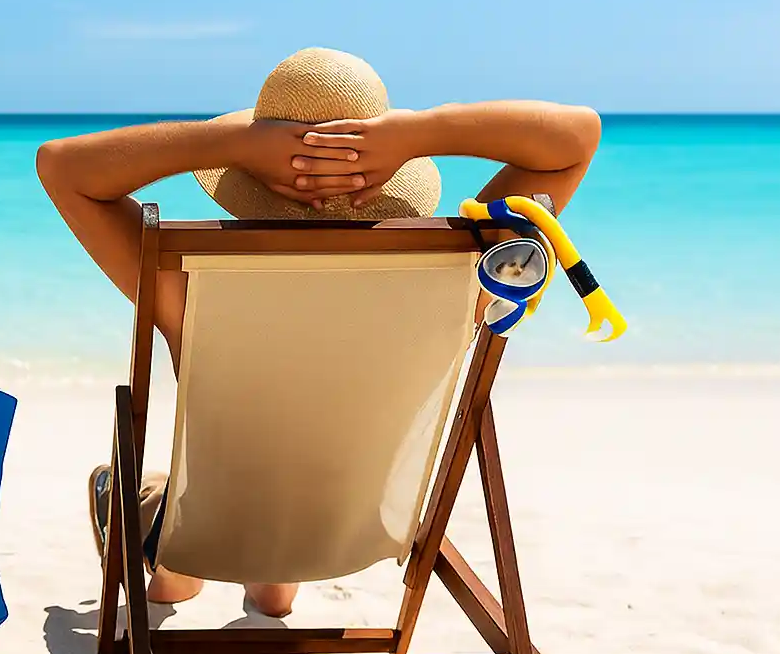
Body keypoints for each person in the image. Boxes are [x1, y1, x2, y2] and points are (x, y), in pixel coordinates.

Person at [36, 47, 600, 618]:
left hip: (214, 531)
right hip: (353, 538)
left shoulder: (189, 289)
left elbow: (62, 166)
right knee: (314, 462)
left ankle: (174, 572)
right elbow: (576, 139)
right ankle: (271, 585)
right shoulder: (457, 272)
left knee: (165, 484)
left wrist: (229, 142)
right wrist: (416, 133)